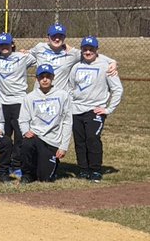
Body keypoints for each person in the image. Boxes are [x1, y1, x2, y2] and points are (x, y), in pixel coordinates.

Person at [69, 36, 124, 182]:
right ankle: (83, 169)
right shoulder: (76, 67)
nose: (88, 52)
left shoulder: (106, 67)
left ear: (96, 50)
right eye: (85, 49)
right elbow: (70, 88)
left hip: (95, 110)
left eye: (91, 49)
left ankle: (95, 170)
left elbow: (117, 89)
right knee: (79, 141)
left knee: (92, 139)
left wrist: (108, 109)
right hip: (76, 110)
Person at [18, 65, 72, 184]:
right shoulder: (29, 97)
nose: (45, 79)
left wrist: (63, 146)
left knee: (45, 178)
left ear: (53, 77)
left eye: (48, 76)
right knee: (27, 144)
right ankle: (27, 174)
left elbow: (68, 122)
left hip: (53, 141)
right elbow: (23, 119)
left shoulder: (63, 95)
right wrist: (25, 131)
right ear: (37, 79)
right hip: (36, 137)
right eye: (42, 77)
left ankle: (44, 165)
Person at [0, 32, 34, 178]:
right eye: (1, 45)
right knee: (5, 136)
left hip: (19, 102)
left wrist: (28, 51)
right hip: (1, 103)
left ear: (13, 45)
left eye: (7, 44)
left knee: (20, 135)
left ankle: (17, 164)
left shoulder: (22, 58)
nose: (4, 47)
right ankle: (5, 164)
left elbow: (41, 55)